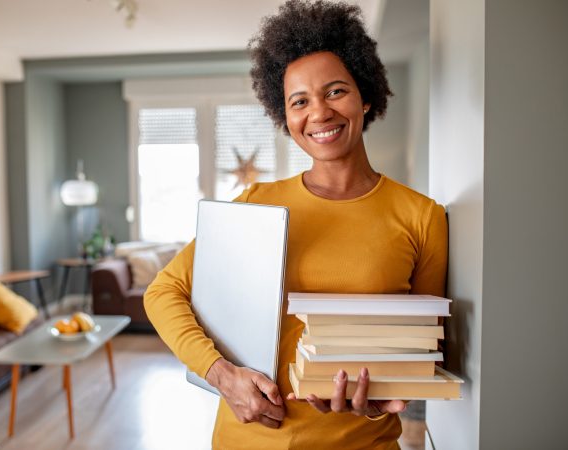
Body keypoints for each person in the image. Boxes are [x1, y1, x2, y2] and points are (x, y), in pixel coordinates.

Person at [144, 1, 448, 448]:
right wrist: (221, 375)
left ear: (365, 95)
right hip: (250, 441)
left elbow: (424, 349)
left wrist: (385, 394)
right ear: (285, 117)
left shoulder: (421, 216)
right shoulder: (254, 204)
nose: (319, 112)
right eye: (299, 101)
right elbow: (163, 292)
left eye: (335, 91)